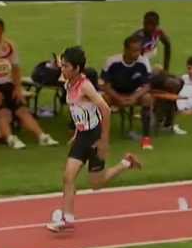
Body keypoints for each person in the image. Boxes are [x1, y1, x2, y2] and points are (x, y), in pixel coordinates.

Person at [46, 46, 142, 232]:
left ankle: (126, 163)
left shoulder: (85, 86)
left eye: (66, 67)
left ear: (76, 68)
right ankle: (67, 219)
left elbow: (105, 109)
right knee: (68, 177)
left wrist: (104, 140)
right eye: (62, 66)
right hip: (83, 136)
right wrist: (76, 131)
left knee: (96, 184)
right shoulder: (68, 82)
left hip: (95, 136)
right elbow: (78, 110)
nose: (62, 70)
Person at [0, 17, 59, 149]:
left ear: (2, 30)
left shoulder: (9, 45)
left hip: (7, 83)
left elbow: (16, 68)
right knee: (3, 112)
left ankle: (42, 136)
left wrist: (17, 88)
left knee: (22, 110)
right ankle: (10, 139)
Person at [100, 35, 154, 150]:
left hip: (134, 93)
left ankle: (146, 137)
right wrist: (118, 98)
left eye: (139, 50)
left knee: (147, 98)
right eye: (134, 51)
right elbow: (105, 85)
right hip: (115, 93)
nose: (137, 54)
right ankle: (103, 136)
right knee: (104, 100)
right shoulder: (112, 61)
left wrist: (134, 97)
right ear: (125, 50)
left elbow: (147, 85)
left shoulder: (143, 62)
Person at [151, 56, 192, 135]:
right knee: (159, 78)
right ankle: (159, 119)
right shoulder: (184, 77)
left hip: (180, 107)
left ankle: (161, 121)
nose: (191, 71)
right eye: (189, 68)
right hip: (173, 100)